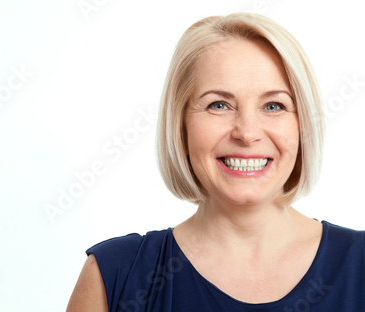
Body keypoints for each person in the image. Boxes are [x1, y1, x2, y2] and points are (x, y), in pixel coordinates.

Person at [66, 12, 365, 311]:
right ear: (180, 126)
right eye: (218, 105)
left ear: (303, 127)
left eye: (274, 105)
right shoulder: (114, 276)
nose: (247, 133)